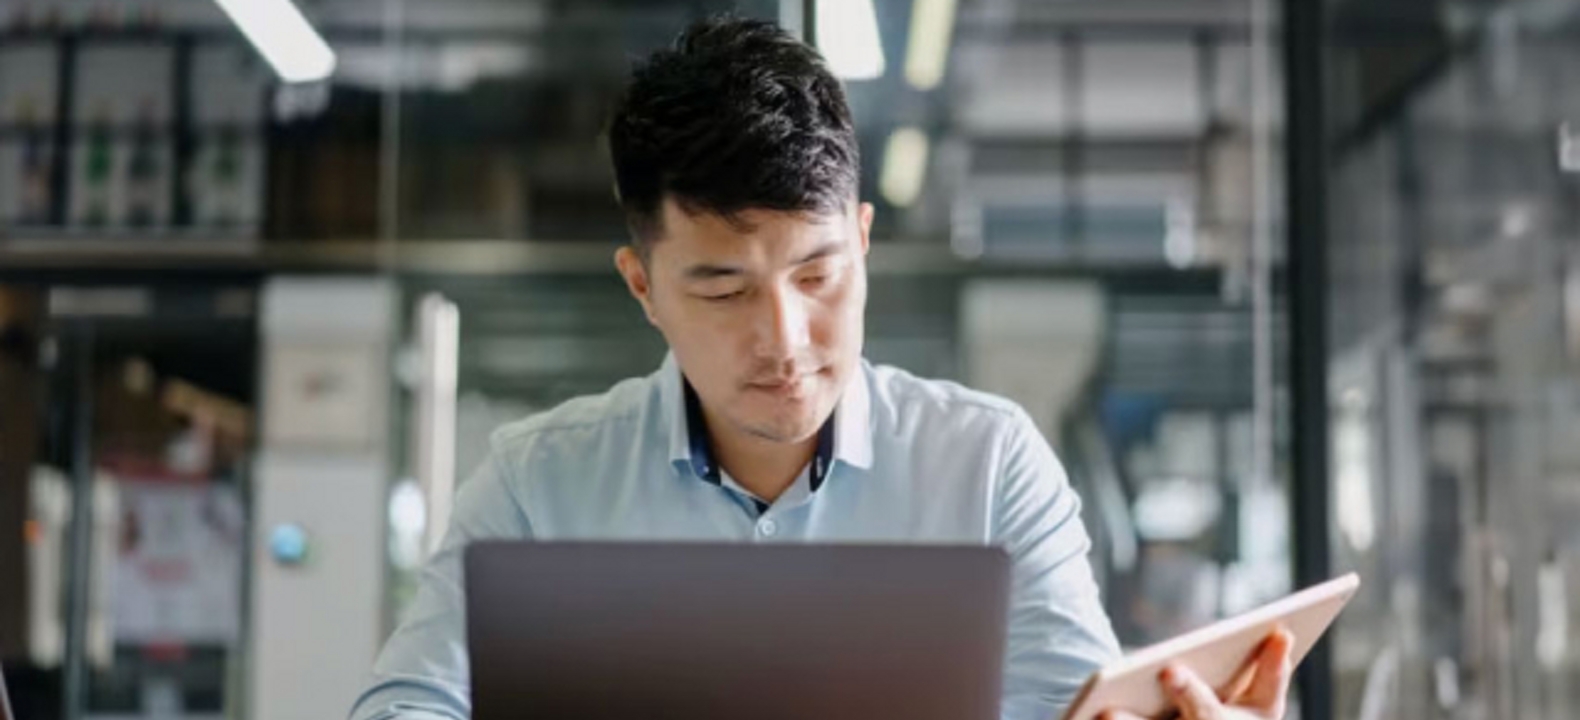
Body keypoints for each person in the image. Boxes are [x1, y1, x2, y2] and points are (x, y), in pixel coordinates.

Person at [349, 16, 1293, 720]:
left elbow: (1073, 710)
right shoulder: (538, 484)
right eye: (723, 289)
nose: (786, 337)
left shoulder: (989, 465)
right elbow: (401, 708)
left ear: (866, 241)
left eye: (819, 273)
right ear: (643, 285)